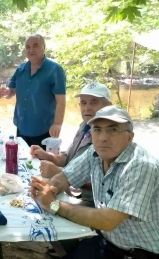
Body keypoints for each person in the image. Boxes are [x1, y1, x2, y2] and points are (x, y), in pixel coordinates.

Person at [29, 106, 159, 259]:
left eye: (113, 130)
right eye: (97, 129)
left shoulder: (141, 166)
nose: (103, 137)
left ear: (129, 137)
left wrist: (53, 204)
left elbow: (108, 220)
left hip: (140, 252)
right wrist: (48, 189)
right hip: (107, 240)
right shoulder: (95, 151)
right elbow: (66, 176)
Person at [31, 82, 112, 178]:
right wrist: (47, 155)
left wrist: (59, 173)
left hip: (81, 192)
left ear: (108, 106)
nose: (87, 108)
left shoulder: (110, 138)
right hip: (66, 185)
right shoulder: (85, 126)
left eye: (93, 103)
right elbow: (67, 158)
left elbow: (103, 181)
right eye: (83, 103)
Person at [0, 34, 66, 147]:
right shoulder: (21, 69)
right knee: (22, 160)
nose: (31, 50)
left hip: (44, 128)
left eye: (35, 46)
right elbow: (12, 91)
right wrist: (6, 92)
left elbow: (61, 100)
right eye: (28, 47)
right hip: (22, 125)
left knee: (40, 163)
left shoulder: (55, 70)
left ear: (44, 47)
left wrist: (58, 124)